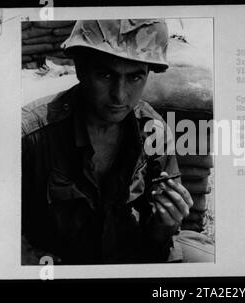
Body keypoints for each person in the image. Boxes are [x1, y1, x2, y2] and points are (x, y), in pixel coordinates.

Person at [21, 19, 214, 265]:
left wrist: (166, 222)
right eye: (105, 74)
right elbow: (1, 233)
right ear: (80, 69)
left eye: (135, 78)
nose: (119, 95)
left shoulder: (153, 132)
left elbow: (158, 242)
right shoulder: (31, 135)